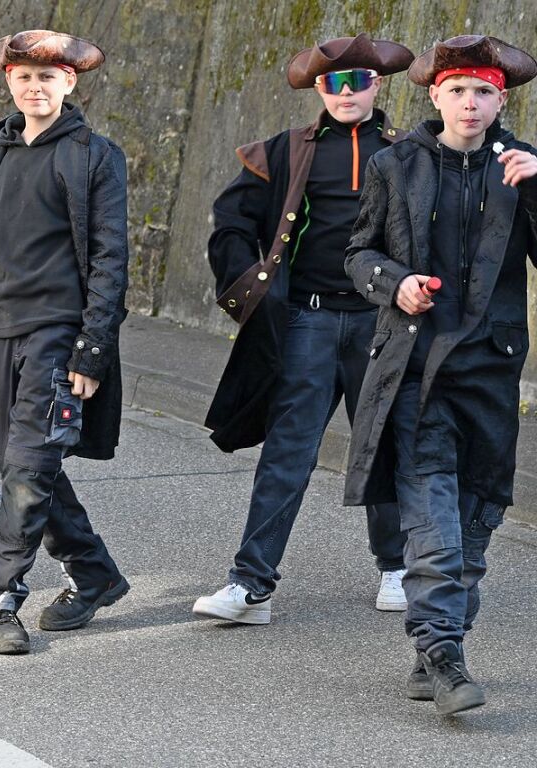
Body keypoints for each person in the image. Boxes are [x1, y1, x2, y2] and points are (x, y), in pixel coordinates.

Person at [344, 35, 537, 715]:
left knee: (477, 521)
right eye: (458, 90)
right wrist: (393, 283)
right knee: (432, 524)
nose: (471, 103)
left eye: (483, 91)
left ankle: (435, 648)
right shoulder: (396, 165)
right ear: (434, 96)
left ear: (501, 98)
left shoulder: (523, 168)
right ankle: (446, 653)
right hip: (416, 373)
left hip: (490, 372)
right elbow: (357, 253)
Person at [193, 34, 414, 626]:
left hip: (380, 323)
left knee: (387, 442)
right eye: (335, 82)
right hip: (307, 322)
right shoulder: (284, 151)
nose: (347, 92)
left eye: (359, 80)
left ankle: (397, 569)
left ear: (378, 86)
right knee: (287, 455)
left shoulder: (410, 152)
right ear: (319, 88)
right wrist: (253, 287)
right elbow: (230, 221)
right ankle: (251, 586)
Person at [0, 29, 130, 655]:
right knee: (26, 466)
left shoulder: (96, 156)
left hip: (59, 335)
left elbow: (110, 259)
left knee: (28, 469)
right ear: (10, 83)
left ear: (69, 83)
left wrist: (92, 348)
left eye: (48, 77)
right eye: (24, 77)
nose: (35, 87)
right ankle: (94, 571)